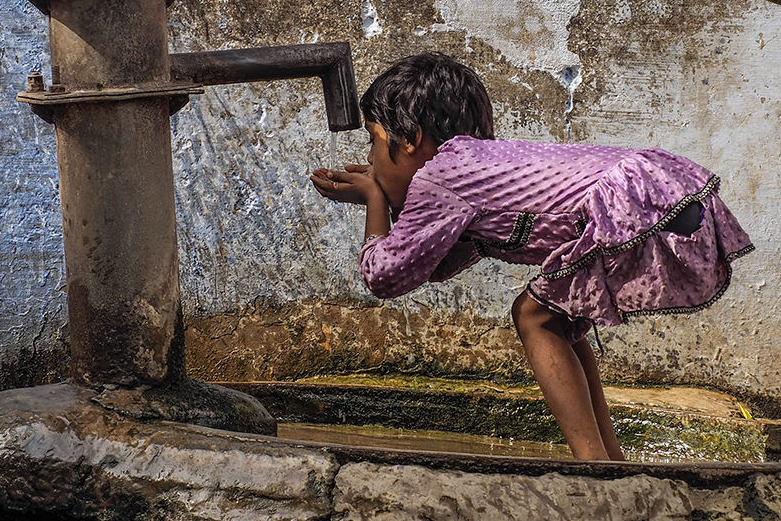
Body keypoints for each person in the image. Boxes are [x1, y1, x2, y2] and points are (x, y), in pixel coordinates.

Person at [310, 52, 752, 461]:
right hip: (662, 190)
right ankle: (611, 461)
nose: (370, 160)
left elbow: (384, 276)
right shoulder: (470, 164)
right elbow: (437, 262)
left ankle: (594, 464)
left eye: (373, 141)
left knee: (533, 316)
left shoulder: (437, 177)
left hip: (629, 198)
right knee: (558, 319)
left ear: (410, 140)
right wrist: (393, 204)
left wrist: (373, 198)